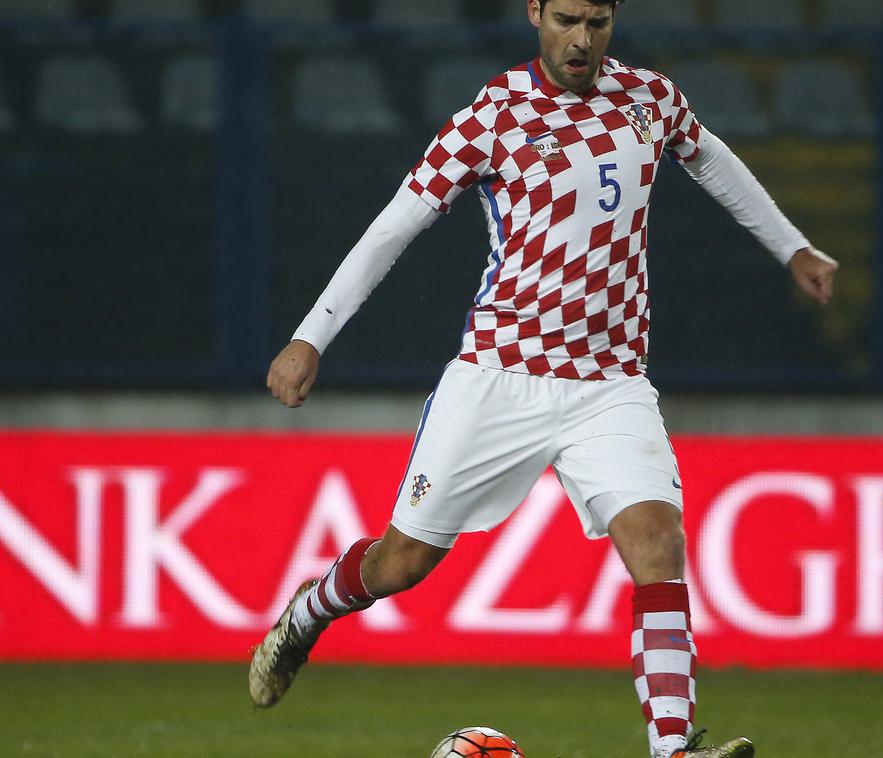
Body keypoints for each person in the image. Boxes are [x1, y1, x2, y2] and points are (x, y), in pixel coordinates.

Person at [249, 1, 838, 756]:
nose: (582, 39)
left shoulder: (651, 99)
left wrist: (791, 248)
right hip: (501, 374)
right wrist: (311, 336)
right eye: (566, 18)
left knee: (658, 545)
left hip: (611, 382)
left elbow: (713, 162)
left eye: (597, 21)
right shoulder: (494, 114)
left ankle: (674, 748)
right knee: (401, 564)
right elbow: (395, 224)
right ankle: (307, 615)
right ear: (534, 12)